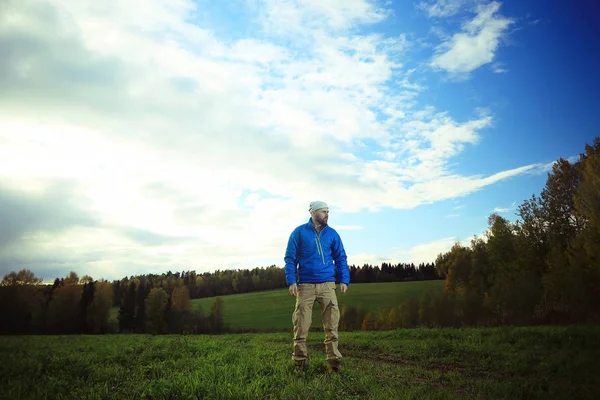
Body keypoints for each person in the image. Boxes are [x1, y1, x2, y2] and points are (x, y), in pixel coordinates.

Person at [284, 200, 351, 374]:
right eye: (323, 212)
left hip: (328, 285)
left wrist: (344, 280)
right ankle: (300, 364)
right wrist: (292, 281)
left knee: (332, 326)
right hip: (305, 285)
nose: (327, 215)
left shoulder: (333, 234)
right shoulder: (299, 233)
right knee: (301, 325)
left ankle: (334, 365)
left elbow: (341, 258)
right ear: (312, 212)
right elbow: (290, 258)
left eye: (328, 211)